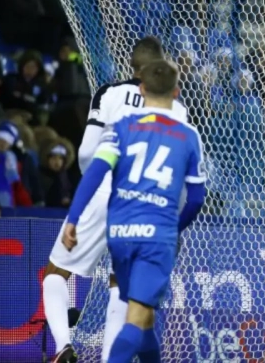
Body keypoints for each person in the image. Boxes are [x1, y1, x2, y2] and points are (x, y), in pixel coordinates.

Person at [42, 37, 189, 363]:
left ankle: (63, 347)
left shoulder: (109, 93)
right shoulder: (178, 108)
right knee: (121, 286)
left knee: (56, 271)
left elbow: (87, 153)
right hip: (149, 206)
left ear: (132, 67)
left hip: (105, 189)